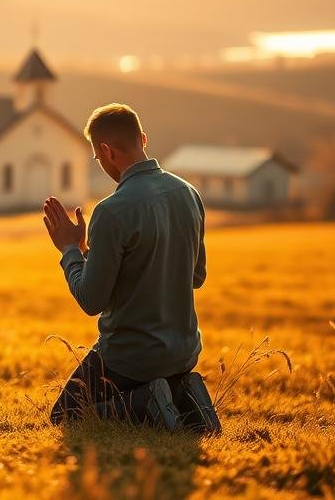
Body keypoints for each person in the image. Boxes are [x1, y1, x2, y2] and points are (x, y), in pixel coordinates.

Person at [41, 103, 220, 433]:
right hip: (183, 352)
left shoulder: (112, 212)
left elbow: (92, 301)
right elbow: (197, 276)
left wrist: (70, 250)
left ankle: (147, 402)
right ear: (143, 138)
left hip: (131, 359)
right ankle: (186, 394)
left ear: (106, 151)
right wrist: (91, 253)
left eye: (97, 157)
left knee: (64, 417)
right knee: (163, 379)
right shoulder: (189, 194)